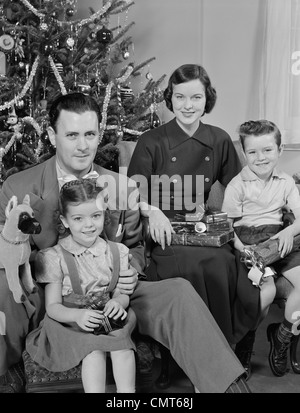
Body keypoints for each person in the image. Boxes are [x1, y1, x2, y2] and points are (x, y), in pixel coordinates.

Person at [0, 91, 250, 393]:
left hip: (112, 288)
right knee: (3, 288)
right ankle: (5, 370)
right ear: (53, 136)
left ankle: (227, 386)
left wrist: (129, 272)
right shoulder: (18, 186)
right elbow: (9, 251)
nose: (83, 146)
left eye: (90, 134)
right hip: (51, 293)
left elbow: (134, 247)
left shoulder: (123, 186)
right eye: (72, 135)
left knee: (178, 292)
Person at [128, 64, 260, 346]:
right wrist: (153, 213)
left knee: (221, 261)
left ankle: (219, 346)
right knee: (183, 264)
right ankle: (183, 347)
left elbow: (237, 188)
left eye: (196, 98)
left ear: (207, 99)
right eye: (180, 97)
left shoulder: (219, 138)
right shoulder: (151, 141)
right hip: (163, 227)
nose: (188, 106)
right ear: (170, 98)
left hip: (203, 225)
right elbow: (134, 191)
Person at [25, 179, 136, 393]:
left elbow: (122, 293)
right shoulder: (54, 257)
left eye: (96, 216)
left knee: (123, 347)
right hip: (70, 319)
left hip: (105, 315)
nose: (89, 225)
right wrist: (77, 316)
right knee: (92, 351)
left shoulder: (117, 251)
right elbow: (53, 306)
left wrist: (118, 301)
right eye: (78, 218)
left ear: (104, 214)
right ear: (65, 221)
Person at [222, 119, 300, 378]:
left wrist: (289, 231)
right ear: (244, 154)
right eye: (253, 152)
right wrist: (241, 247)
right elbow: (226, 226)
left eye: (267, 150)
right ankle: (244, 346)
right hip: (249, 243)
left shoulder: (287, 182)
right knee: (264, 294)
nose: (261, 157)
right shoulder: (237, 185)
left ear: (280, 150)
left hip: (281, 240)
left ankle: (283, 335)